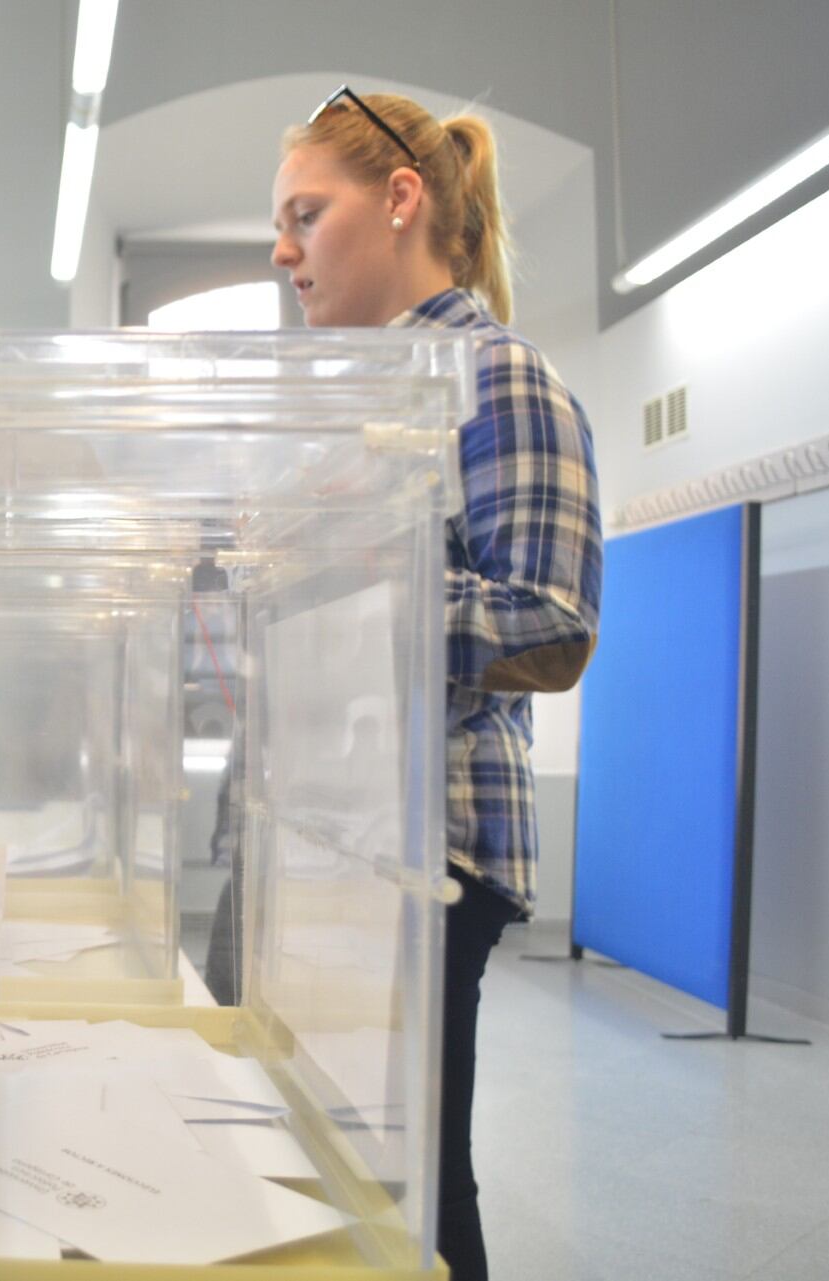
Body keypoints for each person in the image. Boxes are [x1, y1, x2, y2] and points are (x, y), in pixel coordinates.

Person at [269, 87, 603, 1281]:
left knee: (404, 1185)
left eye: (307, 213)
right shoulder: (363, 415)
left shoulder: (495, 380)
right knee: (328, 1160)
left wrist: (346, 593)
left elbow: (553, 628)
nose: (283, 247)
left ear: (401, 199)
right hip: (326, 832)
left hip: (425, 850)